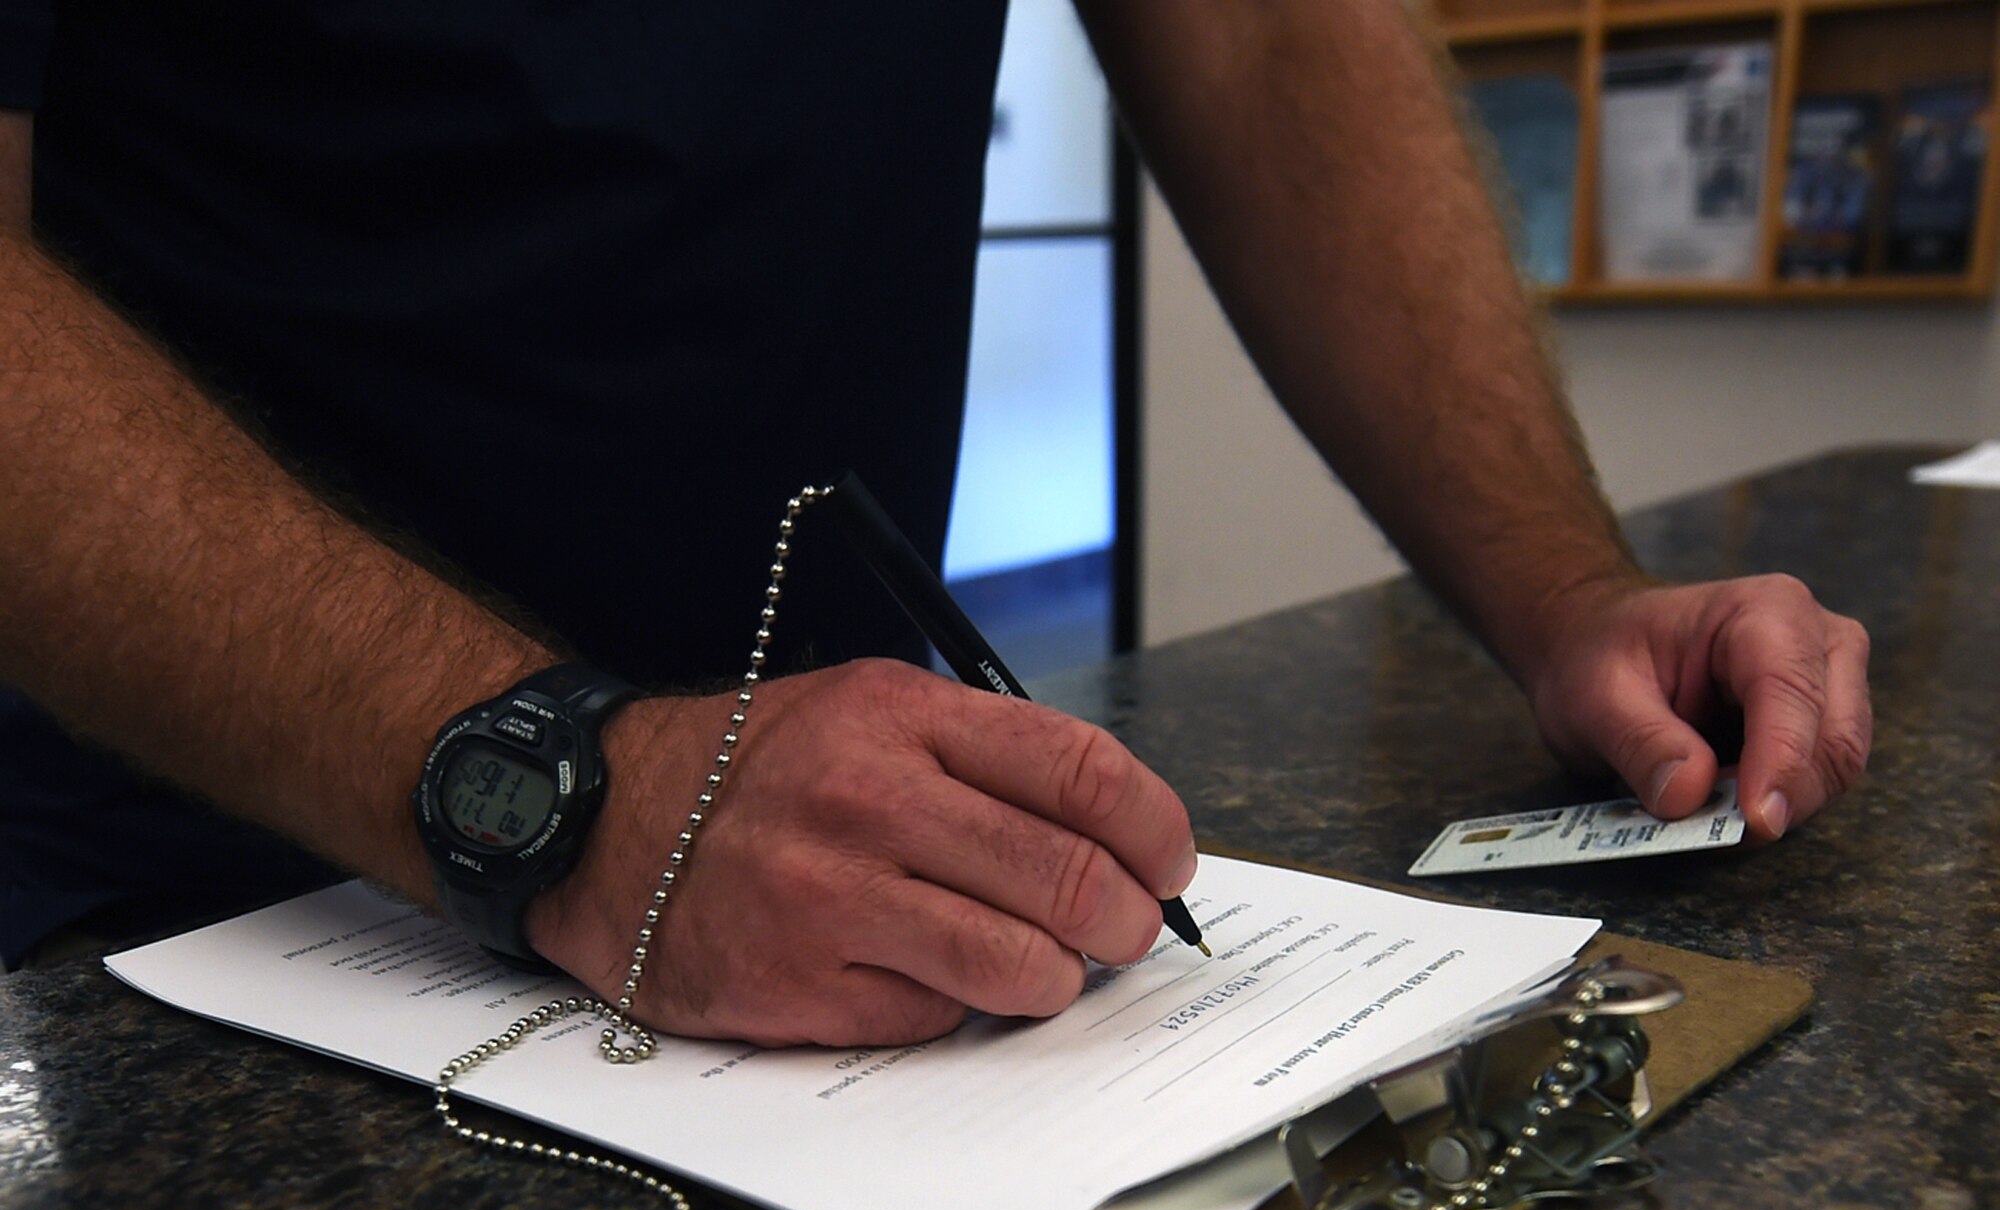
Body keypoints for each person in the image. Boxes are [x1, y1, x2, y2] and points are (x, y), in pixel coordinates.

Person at [0, 2, 1870, 1047]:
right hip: (205, 893)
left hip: (842, 899)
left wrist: (1562, 585)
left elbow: (1267, 36)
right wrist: (558, 781)